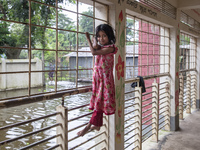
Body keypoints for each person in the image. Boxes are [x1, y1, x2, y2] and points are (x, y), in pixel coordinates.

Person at [77, 24, 118, 136]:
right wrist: (94, 39)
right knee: (98, 103)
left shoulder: (111, 48)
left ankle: (88, 127)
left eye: (104, 36)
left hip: (105, 81)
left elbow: (94, 52)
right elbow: (96, 47)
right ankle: (97, 125)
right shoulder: (102, 47)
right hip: (98, 80)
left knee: (98, 103)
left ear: (109, 36)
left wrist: (88, 39)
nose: (101, 39)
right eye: (99, 36)